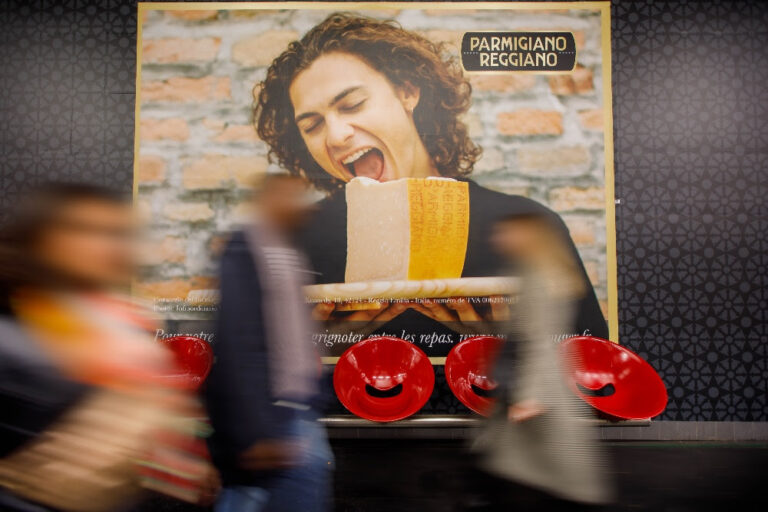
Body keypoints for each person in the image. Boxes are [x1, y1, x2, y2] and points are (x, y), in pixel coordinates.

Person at [254, 12, 607, 341]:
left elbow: (592, 368)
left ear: (407, 92)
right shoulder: (297, 241)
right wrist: (322, 348)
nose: (334, 136)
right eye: (312, 125)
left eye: (352, 105)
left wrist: (503, 350)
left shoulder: (526, 227)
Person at [0, 183, 215, 511]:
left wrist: (186, 465)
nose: (106, 245)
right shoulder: (15, 331)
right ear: (41, 237)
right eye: (85, 230)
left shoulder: (126, 320)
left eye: (116, 233)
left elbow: (156, 430)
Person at [204, 173, 333, 512]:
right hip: (270, 421)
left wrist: (314, 397)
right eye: (291, 195)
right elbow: (237, 342)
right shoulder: (244, 249)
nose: (302, 205)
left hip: (296, 414)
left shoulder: (287, 249)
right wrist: (255, 431)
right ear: (269, 199)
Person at [467, 214, 613, 511]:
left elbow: (539, 341)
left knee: (546, 463)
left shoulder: (539, 278)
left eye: (507, 231)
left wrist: (530, 396)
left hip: (533, 382)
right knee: (510, 457)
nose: (498, 238)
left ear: (529, 236)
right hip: (521, 377)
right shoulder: (534, 271)